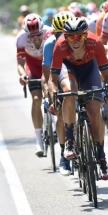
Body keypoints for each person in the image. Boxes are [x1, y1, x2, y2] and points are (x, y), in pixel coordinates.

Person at [48, 17, 108, 180]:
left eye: (80, 36)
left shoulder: (95, 43)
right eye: (71, 37)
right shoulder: (60, 45)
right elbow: (51, 79)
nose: (76, 41)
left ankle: (101, 157)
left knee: (94, 112)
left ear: (86, 35)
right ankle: (69, 141)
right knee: (70, 91)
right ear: (65, 37)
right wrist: (54, 95)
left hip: (89, 71)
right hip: (68, 70)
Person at [42, 11, 75, 176]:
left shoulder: (80, 38)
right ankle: (64, 154)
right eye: (59, 33)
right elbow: (47, 75)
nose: (64, 37)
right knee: (61, 113)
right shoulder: (50, 43)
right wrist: (50, 95)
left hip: (78, 68)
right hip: (60, 71)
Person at [16, 13, 52, 157]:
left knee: (57, 96)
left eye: (38, 34)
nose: (36, 38)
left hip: (48, 66)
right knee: (36, 100)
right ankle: (38, 140)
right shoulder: (21, 39)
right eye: (32, 35)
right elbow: (20, 64)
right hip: (33, 69)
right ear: (26, 33)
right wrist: (22, 75)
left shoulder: (49, 33)